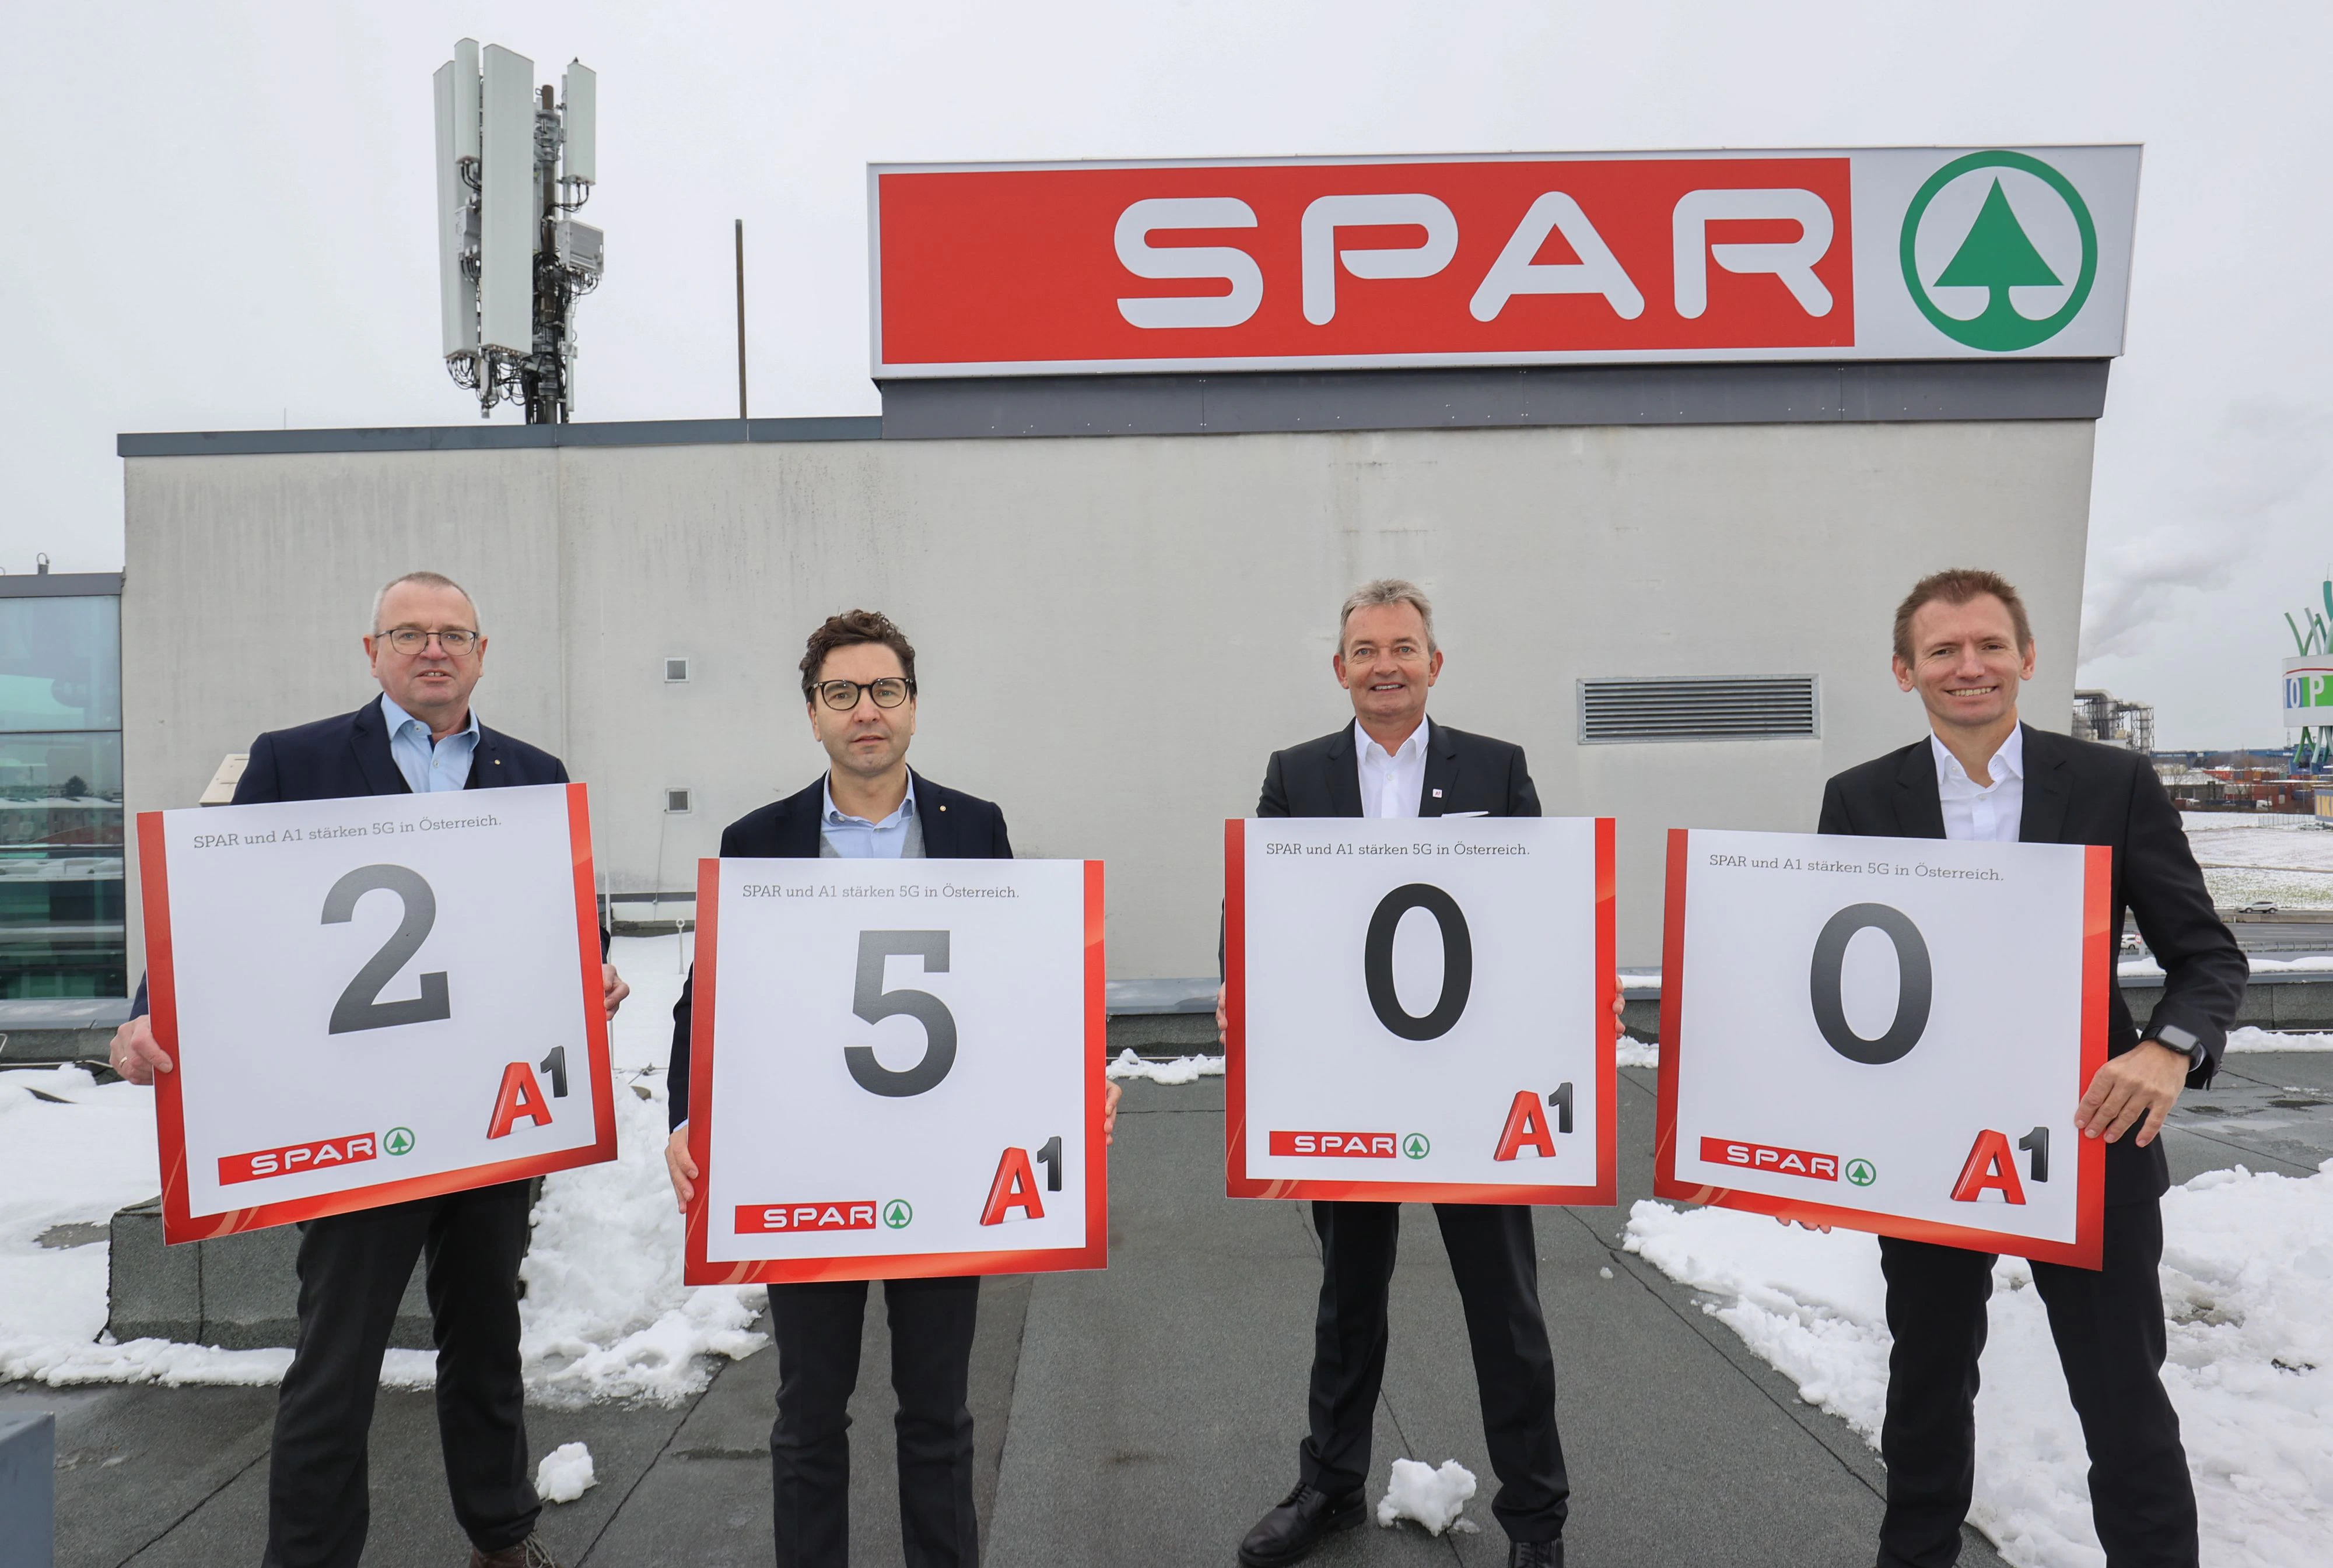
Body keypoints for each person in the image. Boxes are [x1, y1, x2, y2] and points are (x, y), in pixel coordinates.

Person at [109, 570, 631, 1568]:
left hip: (483, 1119)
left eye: (453, 634)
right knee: (335, 1361)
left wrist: (592, 966)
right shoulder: (293, 760)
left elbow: (572, 917)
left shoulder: (534, 773)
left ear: (483, 651)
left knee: (486, 1345)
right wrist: (146, 1015)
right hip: (352, 1124)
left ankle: (502, 1535)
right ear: (371, 650)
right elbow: (216, 912)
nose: (433, 649)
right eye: (409, 633)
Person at [661, 608, 1120, 1568]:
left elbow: (1011, 986)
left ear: (913, 706)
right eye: (842, 694)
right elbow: (704, 1002)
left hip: (942, 1161)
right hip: (807, 1161)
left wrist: (1072, 1086)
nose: (866, 711)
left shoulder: (974, 826)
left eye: (885, 691)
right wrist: (686, 1116)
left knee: (939, 1413)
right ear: (813, 714)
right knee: (809, 1412)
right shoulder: (758, 839)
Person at [1817, 568, 2246, 1568]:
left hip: (2089, 1134)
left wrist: (2166, 1047)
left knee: (2123, 1404)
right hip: (1930, 1148)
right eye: (1942, 652)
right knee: (1924, 1394)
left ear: (2027, 658)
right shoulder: (1860, 798)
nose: (1969, 668)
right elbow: (1835, 981)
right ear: (1904, 670)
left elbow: (2209, 958)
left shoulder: (2111, 785)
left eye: (1988, 647)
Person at [1228, 580, 1574, 1568]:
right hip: (1350, 1077)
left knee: (1505, 1308)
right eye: (1367, 649)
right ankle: (1330, 1487)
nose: (1386, 664)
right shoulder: (1297, 773)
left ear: (1435, 662)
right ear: (1340, 668)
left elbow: (1538, 907)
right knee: (1349, 1297)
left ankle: (1537, 1521)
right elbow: (1257, 896)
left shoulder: (1497, 769)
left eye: (1404, 647)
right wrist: (1234, 983)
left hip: (1473, 1081)